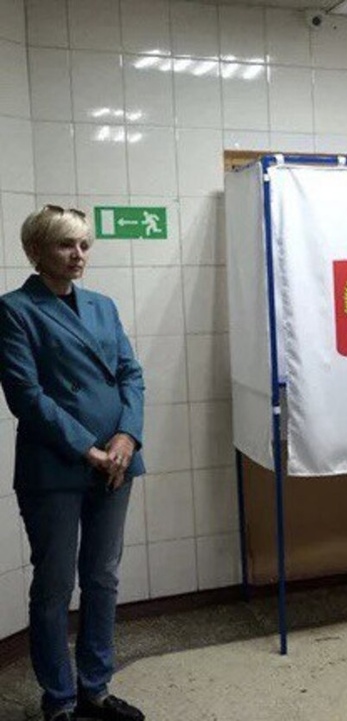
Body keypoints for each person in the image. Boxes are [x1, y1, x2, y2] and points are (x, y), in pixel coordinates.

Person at [0, 207, 146, 721]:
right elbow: (26, 395)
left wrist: (127, 436)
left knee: (103, 577)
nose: (79, 255)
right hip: (56, 467)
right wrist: (88, 447)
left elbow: (131, 373)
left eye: (84, 245)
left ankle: (95, 689)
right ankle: (59, 700)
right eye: (66, 245)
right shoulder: (15, 310)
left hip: (116, 465)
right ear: (35, 251)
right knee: (55, 584)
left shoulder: (103, 307)